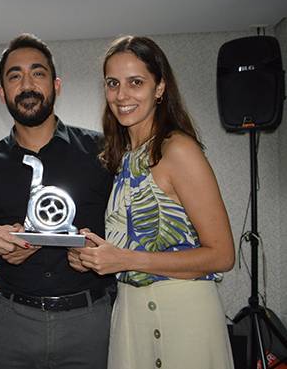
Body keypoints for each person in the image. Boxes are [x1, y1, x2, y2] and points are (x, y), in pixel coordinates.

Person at [71, 35, 235, 369]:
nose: (121, 95)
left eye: (136, 82)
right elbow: (136, 244)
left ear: (159, 88)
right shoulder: (123, 158)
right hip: (130, 315)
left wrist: (124, 259)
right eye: (113, 83)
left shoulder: (178, 150)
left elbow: (222, 255)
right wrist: (96, 255)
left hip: (183, 317)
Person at [0, 33, 115, 369]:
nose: (27, 84)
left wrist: (97, 253)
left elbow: (125, 228)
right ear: (2, 94)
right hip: (12, 322)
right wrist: (3, 253)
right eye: (15, 76)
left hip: (90, 321)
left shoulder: (104, 152)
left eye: (38, 73)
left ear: (56, 85)